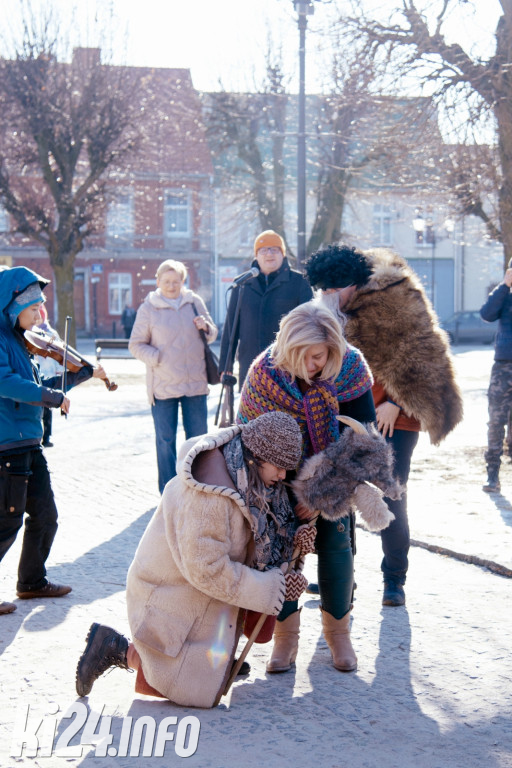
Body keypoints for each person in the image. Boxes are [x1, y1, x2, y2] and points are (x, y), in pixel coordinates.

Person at [75, 412, 314, 708]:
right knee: (192, 690)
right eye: (278, 467)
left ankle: (216, 662)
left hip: (202, 590)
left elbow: (262, 542)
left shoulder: (251, 480)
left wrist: (295, 545)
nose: (282, 477)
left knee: (206, 676)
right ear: (257, 456)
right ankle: (113, 647)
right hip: (171, 591)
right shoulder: (209, 498)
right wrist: (271, 587)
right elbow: (207, 571)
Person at [305, 244, 463, 606]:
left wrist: (396, 402)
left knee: (392, 494)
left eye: (334, 289)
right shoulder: (328, 311)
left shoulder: (397, 298)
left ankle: (395, 579)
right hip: (350, 415)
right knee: (339, 493)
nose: (328, 296)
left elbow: (425, 353)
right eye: (323, 290)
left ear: (353, 282)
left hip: (396, 418)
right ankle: (343, 576)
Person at [238, 301, 375, 674]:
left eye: (321, 356)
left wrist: (319, 493)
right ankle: (285, 638)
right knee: (280, 548)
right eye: (307, 357)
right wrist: (286, 489)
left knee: (335, 540)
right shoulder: (264, 375)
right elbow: (250, 441)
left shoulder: (349, 367)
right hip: (278, 474)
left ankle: (338, 634)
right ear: (288, 349)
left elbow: (363, 441)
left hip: (334, 473)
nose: (314, 365)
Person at [0, 266, 107, 615]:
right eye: (33, 309)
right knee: (7, 521)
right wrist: (50, 397)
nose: (40, 315)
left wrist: (72, 381)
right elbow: (8, 383)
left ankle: (31, 581)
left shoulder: (20, 339)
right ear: (12, 306)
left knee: (46, 515)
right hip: (7, 445)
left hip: (29, 441)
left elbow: (46, 387)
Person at [129, 259, 218, 494]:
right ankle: (168, 492)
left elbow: (212, 333)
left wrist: (206, 327)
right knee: (166, 442)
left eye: (176, 281)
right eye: (166, 281)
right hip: (164, 386)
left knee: (198, 441)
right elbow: (136, 344)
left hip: (195, 384)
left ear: (183, 281)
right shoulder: (149, 308)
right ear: (158, 281)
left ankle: (198, 488)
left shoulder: (193, 302)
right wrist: (157, 357)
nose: (171, 285)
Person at [218, 230, 313, 388]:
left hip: (287, 367)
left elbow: (310, 326)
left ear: (282, 254)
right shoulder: (242, 284)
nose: (269, 254)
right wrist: (225, 367)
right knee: (252, 412)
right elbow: (230, 330)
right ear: (256, 255)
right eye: (263, 250)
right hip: (250, 365)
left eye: (274, 249)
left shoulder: (299, 282)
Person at [480, 261, 512, 492]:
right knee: (496, 421)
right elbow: (487, 314)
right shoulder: (503, 294)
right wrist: (504, 286)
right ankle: (493, 474)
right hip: (503, 366)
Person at [36, 303, 62, 448]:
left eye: (40, 316)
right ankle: (38, 436)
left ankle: (47, 436)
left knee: (48, 408)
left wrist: (59, 370)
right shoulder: (29, 332)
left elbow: (59, 354)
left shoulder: (51, 333)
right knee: (37, 407)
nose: (38, 319)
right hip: (38, 374)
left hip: (49, 374)